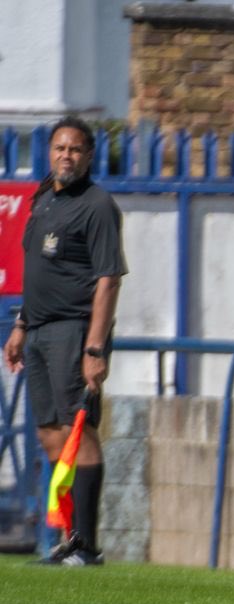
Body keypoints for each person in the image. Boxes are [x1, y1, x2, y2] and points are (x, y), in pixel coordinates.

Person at [3, 116, 126, 566]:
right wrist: (21, 326)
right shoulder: (42, 198)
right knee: (51, 435)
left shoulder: (97, 205)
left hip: (75, 331)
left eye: (75, 149)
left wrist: (95, 348)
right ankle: (67, 538)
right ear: (49, 152)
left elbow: (108, 279)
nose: (65, 156)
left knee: (79, 431)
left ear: (88, 157)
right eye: (59, 148)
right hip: (37, 330)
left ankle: (87, 545)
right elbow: (38, 272)